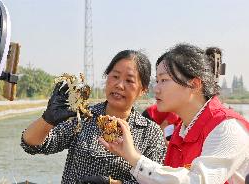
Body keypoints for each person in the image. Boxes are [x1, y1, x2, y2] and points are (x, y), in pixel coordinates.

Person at [99, 44, 249, 184]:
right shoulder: (181, 133)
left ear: (194, 84)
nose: (156, 89)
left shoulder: (227, 127)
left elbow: (196, 180)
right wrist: (133, 156)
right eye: (157, 81)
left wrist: (136, 158)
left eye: (164, 80)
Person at [20, 50, 166, 184]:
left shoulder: (151, 133)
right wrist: (47, 120)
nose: (119, 85)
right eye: (115, 76)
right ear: (106, 77)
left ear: (143, 90)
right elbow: (31, 145)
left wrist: (113, 183)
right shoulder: (84, 116)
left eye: (129, 80)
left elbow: (157, 180)